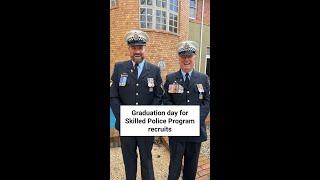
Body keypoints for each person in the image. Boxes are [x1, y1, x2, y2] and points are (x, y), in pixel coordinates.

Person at [110, 29, 163, 180]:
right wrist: (124, 118)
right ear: (129, 49)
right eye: (134, 48)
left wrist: (148, 118)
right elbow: (113, 95)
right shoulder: (119, 68)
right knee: (129, 159)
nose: (137, 51)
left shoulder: (154, 70)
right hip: (127, 126)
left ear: (144, 49)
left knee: (146, 159)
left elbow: (158, 96)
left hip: (146, 126)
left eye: (140, 47)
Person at [163, 40, 210, 180]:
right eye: (183, 56)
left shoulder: (203, 78)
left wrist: (194, 119)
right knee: (174, 167)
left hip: (195, 132)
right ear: (179, 58)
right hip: (177, 132)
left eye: (189, 56)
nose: (186, 59)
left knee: (191, 168)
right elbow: (166, 101)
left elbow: (207, 101)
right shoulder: (171, 78)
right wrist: (179, 119)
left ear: (194, 57)